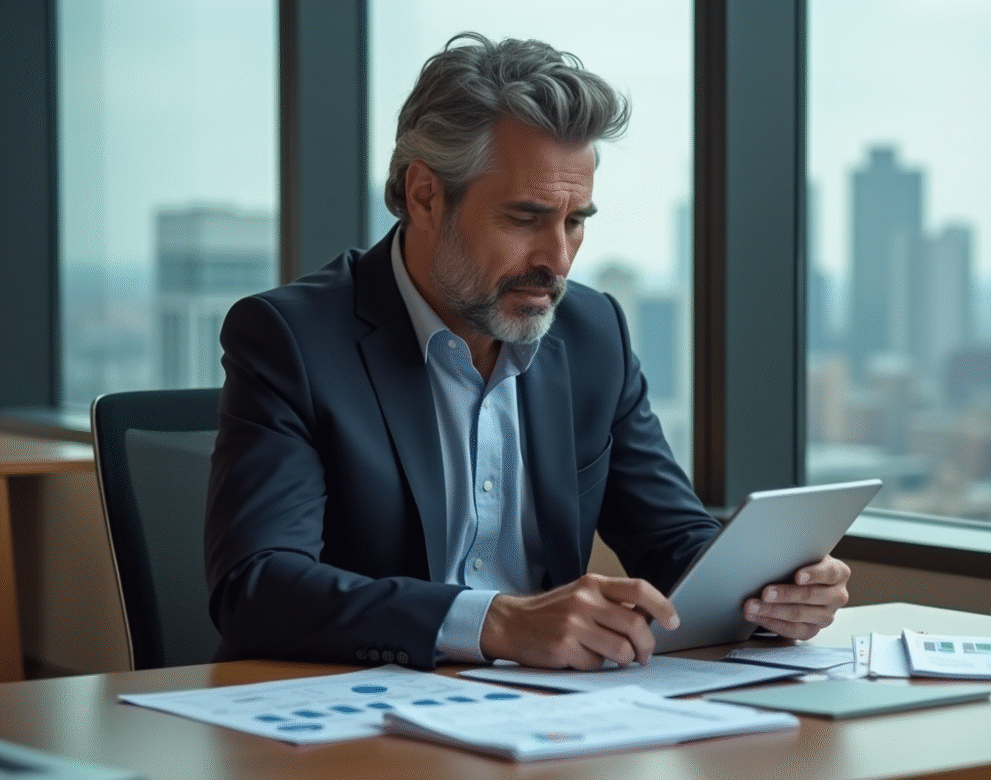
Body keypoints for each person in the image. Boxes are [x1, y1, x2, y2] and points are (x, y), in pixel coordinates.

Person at [204, 32, 850, 671]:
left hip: (550, 722)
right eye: (524, 218)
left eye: (575, 221)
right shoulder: (292, 338)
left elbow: (671, 540)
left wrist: (772, 593)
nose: (557, 260)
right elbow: (257, 587)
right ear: (426, 194)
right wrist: (494, 622)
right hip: (352, 726)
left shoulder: (593, 331)